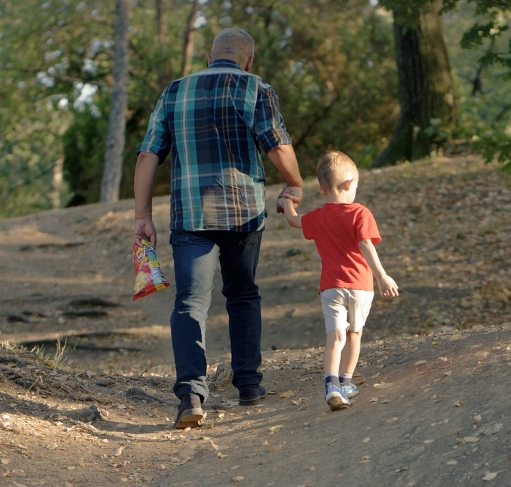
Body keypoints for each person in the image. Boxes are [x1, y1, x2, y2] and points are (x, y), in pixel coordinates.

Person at [134, 28, 303, 428]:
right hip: (243, 212)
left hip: (191, 216)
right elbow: (276, 145)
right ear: (249, 60)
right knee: (242, 294)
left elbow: (147, 154)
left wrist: (142, 215)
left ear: (210, 57)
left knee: (191, 303)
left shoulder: (175, 91)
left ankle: (191, 395)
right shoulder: (256, 87)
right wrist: (294, 183)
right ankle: (248, 385)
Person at [280, 150, 398, 411]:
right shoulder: (360, 213)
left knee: (335, 337)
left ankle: (331, 385)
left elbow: (292, 220)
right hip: (360, 287)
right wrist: (382, 275)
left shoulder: (318, 216)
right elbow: (365, 244)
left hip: (331, 287)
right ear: (349, 184)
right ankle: (345, 383)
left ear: (322, 191)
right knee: (354, 335)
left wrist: (288, 201)